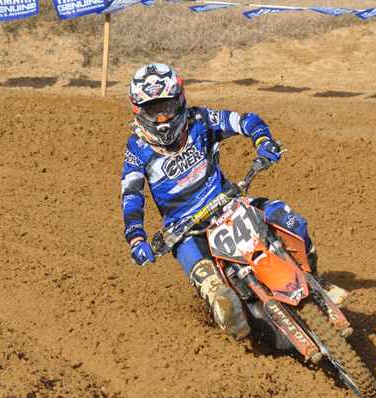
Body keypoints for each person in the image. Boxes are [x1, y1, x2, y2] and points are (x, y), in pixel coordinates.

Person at [121, 63, 350, 341]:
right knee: (214, 289)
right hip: (184, 231)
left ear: (179, 101)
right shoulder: (137, 149)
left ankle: (315, 282)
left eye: (165, 108)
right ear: (138, 111)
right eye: (151, 111)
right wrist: (136, 238)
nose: (160, 118)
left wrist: (263, 140)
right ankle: (238, 324)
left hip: (229, 202)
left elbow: (243, 120)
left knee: (292, 223)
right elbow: (131, 195)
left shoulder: (199, 120)